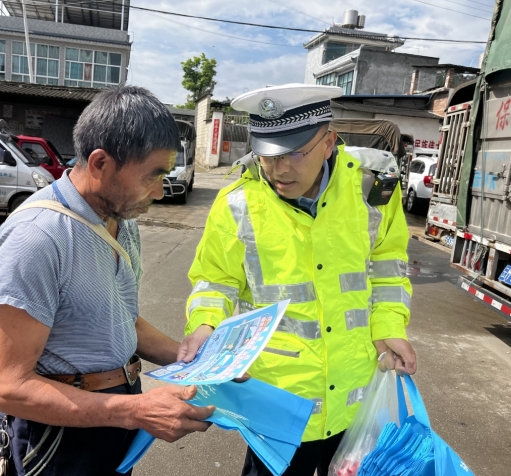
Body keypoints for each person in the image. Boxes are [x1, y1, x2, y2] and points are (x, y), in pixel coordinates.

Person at [178, 84, 417, 476]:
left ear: (329, 143)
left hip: (353, 397)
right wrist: (205, 326)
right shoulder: (238, 202)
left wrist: (389, 326)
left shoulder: (372, 185)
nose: (279, 170)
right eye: (268, 156)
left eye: (294, 153)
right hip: (279, 405)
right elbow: (215, 281)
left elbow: (388, 262)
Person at [0, 85, 214, 476]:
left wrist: (192, 360)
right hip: (54, 441)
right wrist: (136, 411)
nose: (160, 190)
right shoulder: (37, 237)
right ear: (101, 162)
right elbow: (11, 388)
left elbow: (121, 317)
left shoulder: (121, 221)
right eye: (152, 175)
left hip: (111, 420)